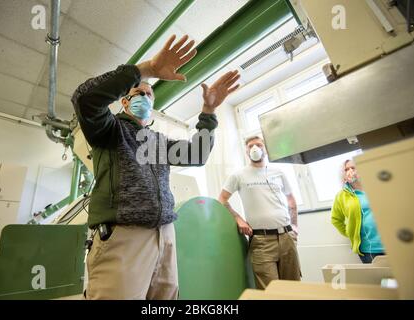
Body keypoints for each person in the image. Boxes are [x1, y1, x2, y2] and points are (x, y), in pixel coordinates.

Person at [72, 34, 241, 299]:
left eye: (149, 94)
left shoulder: (156, 142)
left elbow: (197, 154)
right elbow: (85, 99)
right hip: (124, 238)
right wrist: (146, 70)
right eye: (138, 92)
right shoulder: (109, 130)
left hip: (165, 235)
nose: (145, 96)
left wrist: (208, 112)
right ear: (124, 102)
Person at [218, 136, 301, 289]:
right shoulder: (238, 175)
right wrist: (238, 219)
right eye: (250, 146)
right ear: (246, 152)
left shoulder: (279, 172)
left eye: (258, 145)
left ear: (266, 149)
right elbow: (222, 199)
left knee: (293, 288)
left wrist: (294, 226)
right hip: (261, 241)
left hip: (287, 237)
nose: (254, 148)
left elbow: (291, 200)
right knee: (270, 291)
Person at [331, 159, 385, 264]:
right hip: (368, 250)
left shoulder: (376, 186)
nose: (350, 171)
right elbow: (335, 219)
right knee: (380, 279)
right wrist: (351, 232)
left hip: (391, 243)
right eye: (346, 169)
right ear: (343, 175)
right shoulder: (341, 196)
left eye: (353, 168)